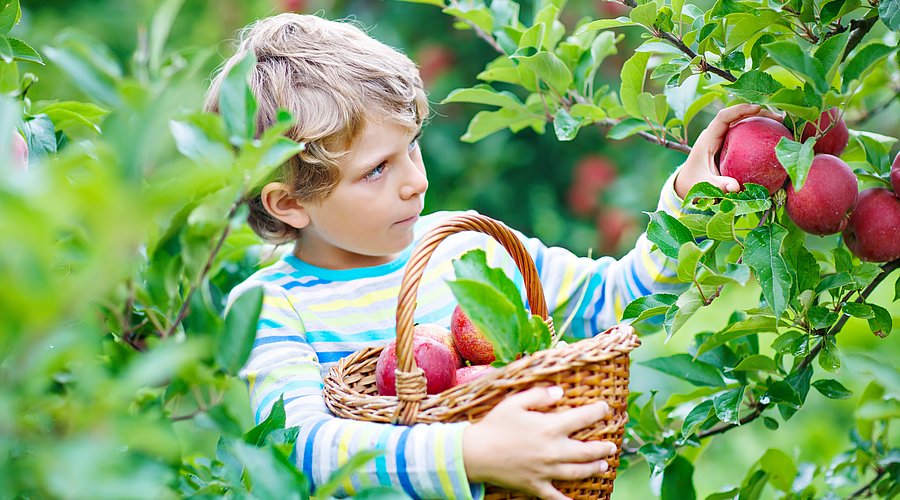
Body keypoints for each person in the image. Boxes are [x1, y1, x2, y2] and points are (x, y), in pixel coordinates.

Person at [208, 13, 780, 500]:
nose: (414, 182)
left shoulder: (468, 251)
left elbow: (617, 301)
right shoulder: (270, 307)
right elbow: (301, 446)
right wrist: (469, 453)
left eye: (412, 147)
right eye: (377, 169)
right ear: (289, 204)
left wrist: (686, 200)